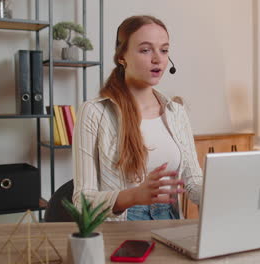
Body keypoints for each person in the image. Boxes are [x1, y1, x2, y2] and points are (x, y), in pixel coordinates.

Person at [72, 15, 203, 221]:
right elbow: (82, 201)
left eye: (164, 50)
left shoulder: (176, 112)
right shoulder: (94, 113)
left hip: (170, 221)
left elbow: (194, 183)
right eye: (145, 50)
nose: (157, 59)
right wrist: (134, 196)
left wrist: (227, 192)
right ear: (121, 56)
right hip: (122, 227)